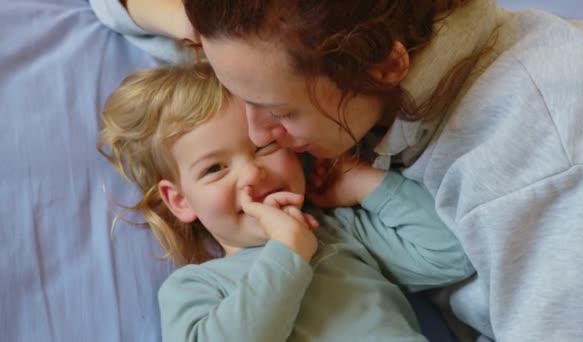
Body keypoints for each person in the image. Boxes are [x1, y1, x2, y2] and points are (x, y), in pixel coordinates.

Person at [91, 0, 583, 340]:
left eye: (278, 111)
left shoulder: (557, 169)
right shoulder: (298, 40)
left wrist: (362, 183)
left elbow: (449, 254)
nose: (255, 136)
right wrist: (208, 23)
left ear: (384, 68)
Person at [97, 63, 475, 341]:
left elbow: (452, 253)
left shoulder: (338, 229)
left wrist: (361, 182)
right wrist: (287, 253)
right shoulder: (197, 286)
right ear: (180, 201)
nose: (251, 175)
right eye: (214, 169)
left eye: (265, 147)